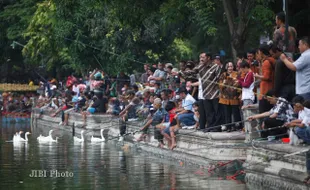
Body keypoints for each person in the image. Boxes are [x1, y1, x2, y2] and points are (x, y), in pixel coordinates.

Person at [219, 62, 242, 132]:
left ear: (233, 67)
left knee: (235, 113)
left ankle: (237, 126)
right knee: (227, 113)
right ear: (226, 67)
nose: (230, 68)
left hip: (234, 97)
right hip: (225, 97)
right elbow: (220, 86)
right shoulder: (223, 75)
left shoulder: (237, 74)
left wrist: (235, 82)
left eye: (231, 66)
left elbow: (240, 84)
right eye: (228, 67)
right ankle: (228, 127)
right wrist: (224, 83)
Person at [255, 44, 276, 113]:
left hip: (265, 91)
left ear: (261, 52)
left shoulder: (266, 62)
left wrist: (257, 76)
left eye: (258, 52)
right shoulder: (272, 60)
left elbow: (266, 77)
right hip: (270, 89)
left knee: (263, 113)